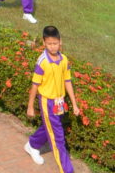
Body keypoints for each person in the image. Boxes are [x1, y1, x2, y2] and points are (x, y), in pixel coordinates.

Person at [25, 25, 80, 170]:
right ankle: (67, 170)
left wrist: (74, 104)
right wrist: (30, 106)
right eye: (49, 44)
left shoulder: (64, 60)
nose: (53, 47)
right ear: (44, 43)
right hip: (46, 102)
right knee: (58, 139)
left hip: (59, 102)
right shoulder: (42, 62)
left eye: (55, 43)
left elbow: (67, 81)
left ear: (60, 42)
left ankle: (32, 144)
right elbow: (35, 85)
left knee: (49, 126)